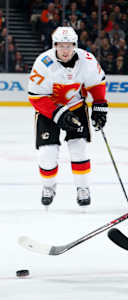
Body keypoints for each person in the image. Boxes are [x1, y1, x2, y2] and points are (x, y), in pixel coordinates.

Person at [27, 26, 108, 208]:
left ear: (75, 45)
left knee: (79, 149)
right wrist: (58, 114)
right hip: (48, 111)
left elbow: (97, 83)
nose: (65, 50)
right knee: (47, 154)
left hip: (76, 107)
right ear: (55, 45)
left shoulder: (87, 60)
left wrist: (100, 105)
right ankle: (48, 187)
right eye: (61, 46)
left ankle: (83, 188)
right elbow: (35, 96)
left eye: (69, 45)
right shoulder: (43, 63)